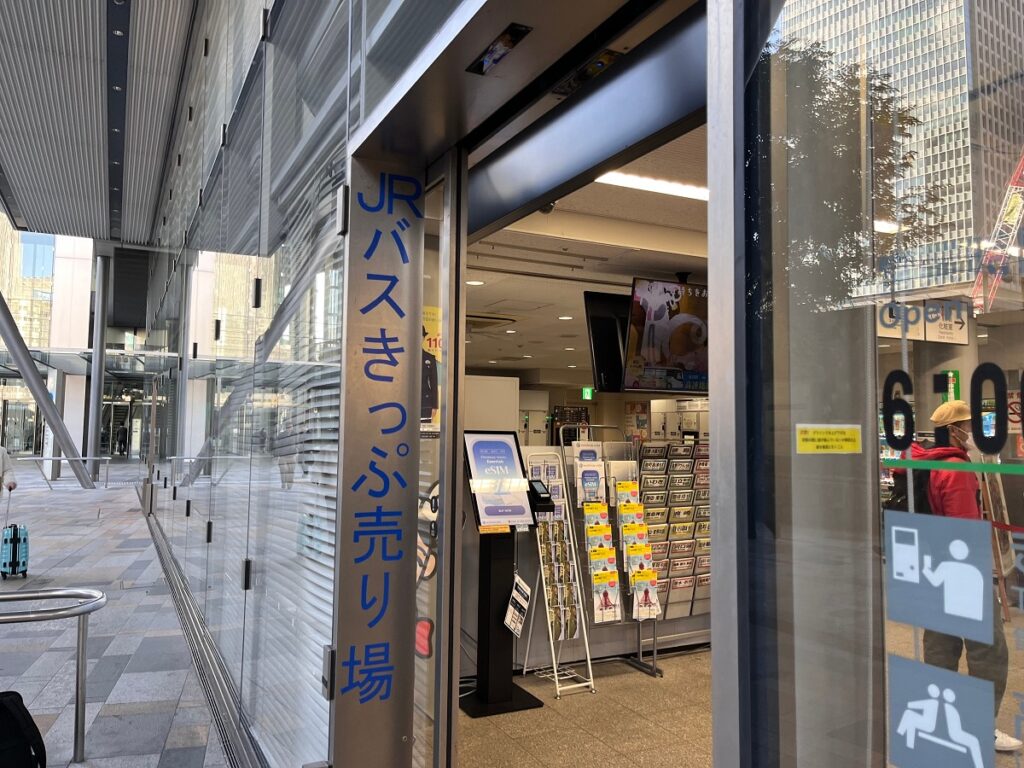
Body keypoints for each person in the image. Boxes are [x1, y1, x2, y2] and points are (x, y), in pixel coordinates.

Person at [914, 399, 1021, 753]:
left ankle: (942, 721)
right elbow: (963, 528)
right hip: (960, 572)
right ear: (956, 430)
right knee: (989, 650)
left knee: (940, 647)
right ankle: (979, 728)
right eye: (970, 425)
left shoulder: (922, 461)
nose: (974, 431)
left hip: (931, 570)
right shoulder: (956, 469)